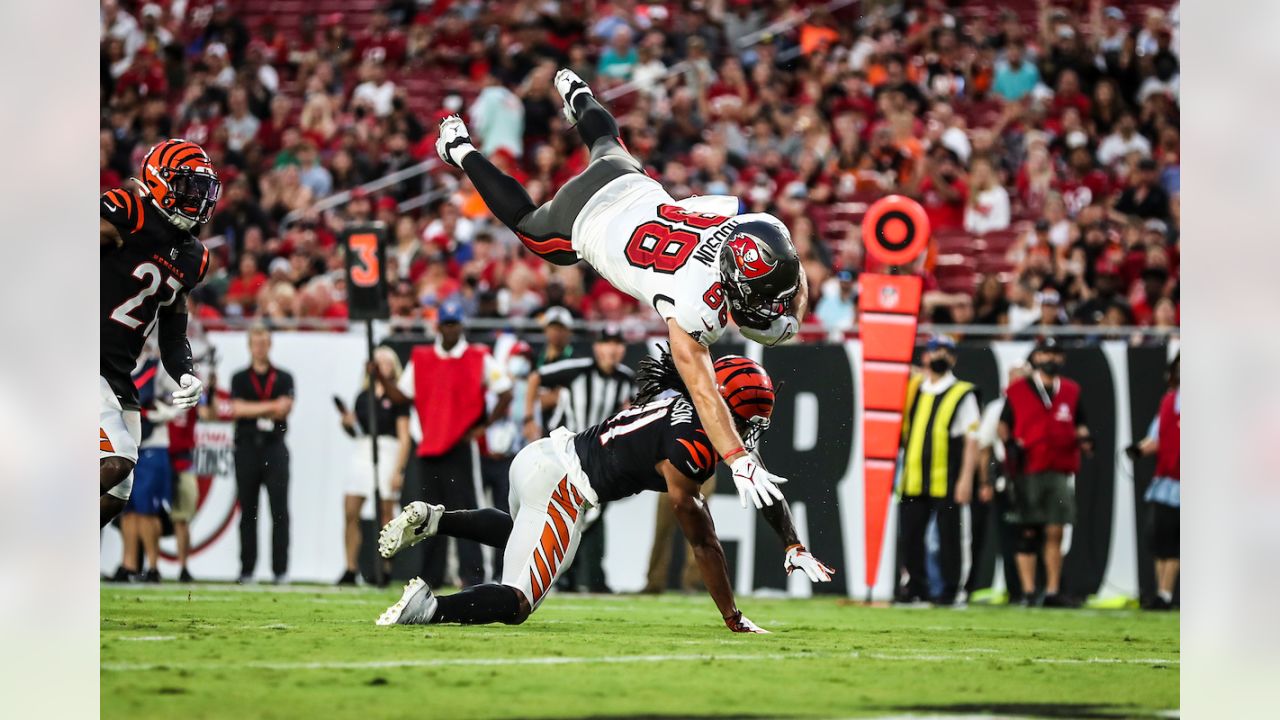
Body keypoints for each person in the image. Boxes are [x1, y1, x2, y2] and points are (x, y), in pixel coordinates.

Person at [435, 69, 805, 512]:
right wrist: (739, 459)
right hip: (583, 221)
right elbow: (705, 393)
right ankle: (460, 150)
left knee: (606, 143)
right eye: (762, 294)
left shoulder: (752, 230)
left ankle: (580, 96)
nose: (772, 303)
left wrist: (788, 313)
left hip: (626, 182)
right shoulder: (692, 304)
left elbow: (792, 270)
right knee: (529, 226)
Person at [374, 352, 834, 630]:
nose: (750, 433)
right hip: (563, 487)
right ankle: (430, 608)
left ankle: (437, 520)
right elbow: (701, 538)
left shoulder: (686, 402)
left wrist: (791, 541)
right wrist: (733, 617)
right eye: (747, 421)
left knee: (522, 532)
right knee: (516, 602)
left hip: (542, 455)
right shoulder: (691, 444)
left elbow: (757, 477)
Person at [101, 139, 218, 526]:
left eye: (202, 189)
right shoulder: (129, 210)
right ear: (158, 181)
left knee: (117, 494)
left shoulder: (192, 256)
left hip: (116, 370)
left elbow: (172, 329)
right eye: (188, 187)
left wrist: (185, 370)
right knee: (118, 458)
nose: (197, 199)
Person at [377, 300, 513, 588]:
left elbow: (505, 390)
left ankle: (474, 575)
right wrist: (380, 377)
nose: (450, 329)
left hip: (460, 447)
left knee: (468, 512)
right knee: (427, 517)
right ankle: (431, 577)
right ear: (439, 326)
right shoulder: (423, 359)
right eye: (446, 324)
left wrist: (482, 427)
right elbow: (402, 396)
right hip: (430, 447)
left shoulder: (478, 357)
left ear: (460, 325)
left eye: (454, 324)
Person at [534, 325, 635, 593]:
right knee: (573, 515)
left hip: (598, 459)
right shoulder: (577, 370)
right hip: (566, 453)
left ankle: (584, 576)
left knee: (590, 517)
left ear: (622, 349)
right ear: (597, 348)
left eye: (617, 343)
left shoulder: (625, 379)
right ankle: (570, 575)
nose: (612, 349)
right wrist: (527, 420)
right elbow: (536, 377)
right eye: (607, 343)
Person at [999, 338, 1095, 607]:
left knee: (1055, 530)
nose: (1049, 359)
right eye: (1044, 354)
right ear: (1036, 358)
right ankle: (1029, 591)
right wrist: (1009, 445)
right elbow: (1003, 424)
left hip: (1060, 467)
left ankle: (1051, 591)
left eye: (1054, 354)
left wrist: (1086, 441)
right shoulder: (1017, 390)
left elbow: (1080, 424)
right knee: (1026, 530)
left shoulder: (1072, 391)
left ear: (1061, 359)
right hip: (1028, 467)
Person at [895, 336, 981, 605]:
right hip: (912, 476)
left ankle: (950, 590)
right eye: (936, 350)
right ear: (927, 356)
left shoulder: (962, 392)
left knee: (950, 539)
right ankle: (917, 588)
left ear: (954, 358)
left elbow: (972, 439)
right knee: (910, 538)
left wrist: (967, 478)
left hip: (947, 477)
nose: (941, 355)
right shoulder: (914, 389)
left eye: (947, 351)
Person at [335, 346, 411, 586]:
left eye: (386, 362)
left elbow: (404, 437)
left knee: (385, 513)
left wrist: (399, 469)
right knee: (350, 511)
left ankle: (385, 567)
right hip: (363, 449)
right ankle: (350, 567)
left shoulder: (397, 397)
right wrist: (347, 424)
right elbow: (357, 431)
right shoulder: (363, 396)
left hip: (388, 451)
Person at [229, 324, 296, 584]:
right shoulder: (239, 378)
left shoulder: (284, 377)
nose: (260, 348)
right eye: (255, 343)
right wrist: (269, 407)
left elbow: (284, 409)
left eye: (264, 343)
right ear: (249, 346)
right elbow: (236, 409)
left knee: (279, 511)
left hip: (274, 447)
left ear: (270, 345)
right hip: (246, 448)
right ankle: (247, 569)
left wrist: (252, 408)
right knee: (248, 511)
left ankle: (280, 570)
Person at [114, 351, 182, 582]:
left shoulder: (157, 366)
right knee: (127, 508)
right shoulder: (116, 364)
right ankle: (129, 564)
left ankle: (153, 567)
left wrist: (169, 411)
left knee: (147, 509)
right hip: (126, 444)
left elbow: (182, 394)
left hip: (153, 443)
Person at [1126, 354, 1179, 610]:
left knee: (1175, 542)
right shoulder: (1168, 401)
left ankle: (1166, 594)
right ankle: (1161, 592)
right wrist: (1138, 450)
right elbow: (1155, 437)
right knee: (1160, 539)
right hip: (1166, 480)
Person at [522, 306, 577, 443]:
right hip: (535, 424)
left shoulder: (575, 359)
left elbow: (564, 396)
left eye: (561, 328)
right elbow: (524, 393)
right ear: (545, 329)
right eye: (552, 327)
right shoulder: (535, 357)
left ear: (569, 331)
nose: (556, 333)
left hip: (564, 428)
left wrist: (539, 398)